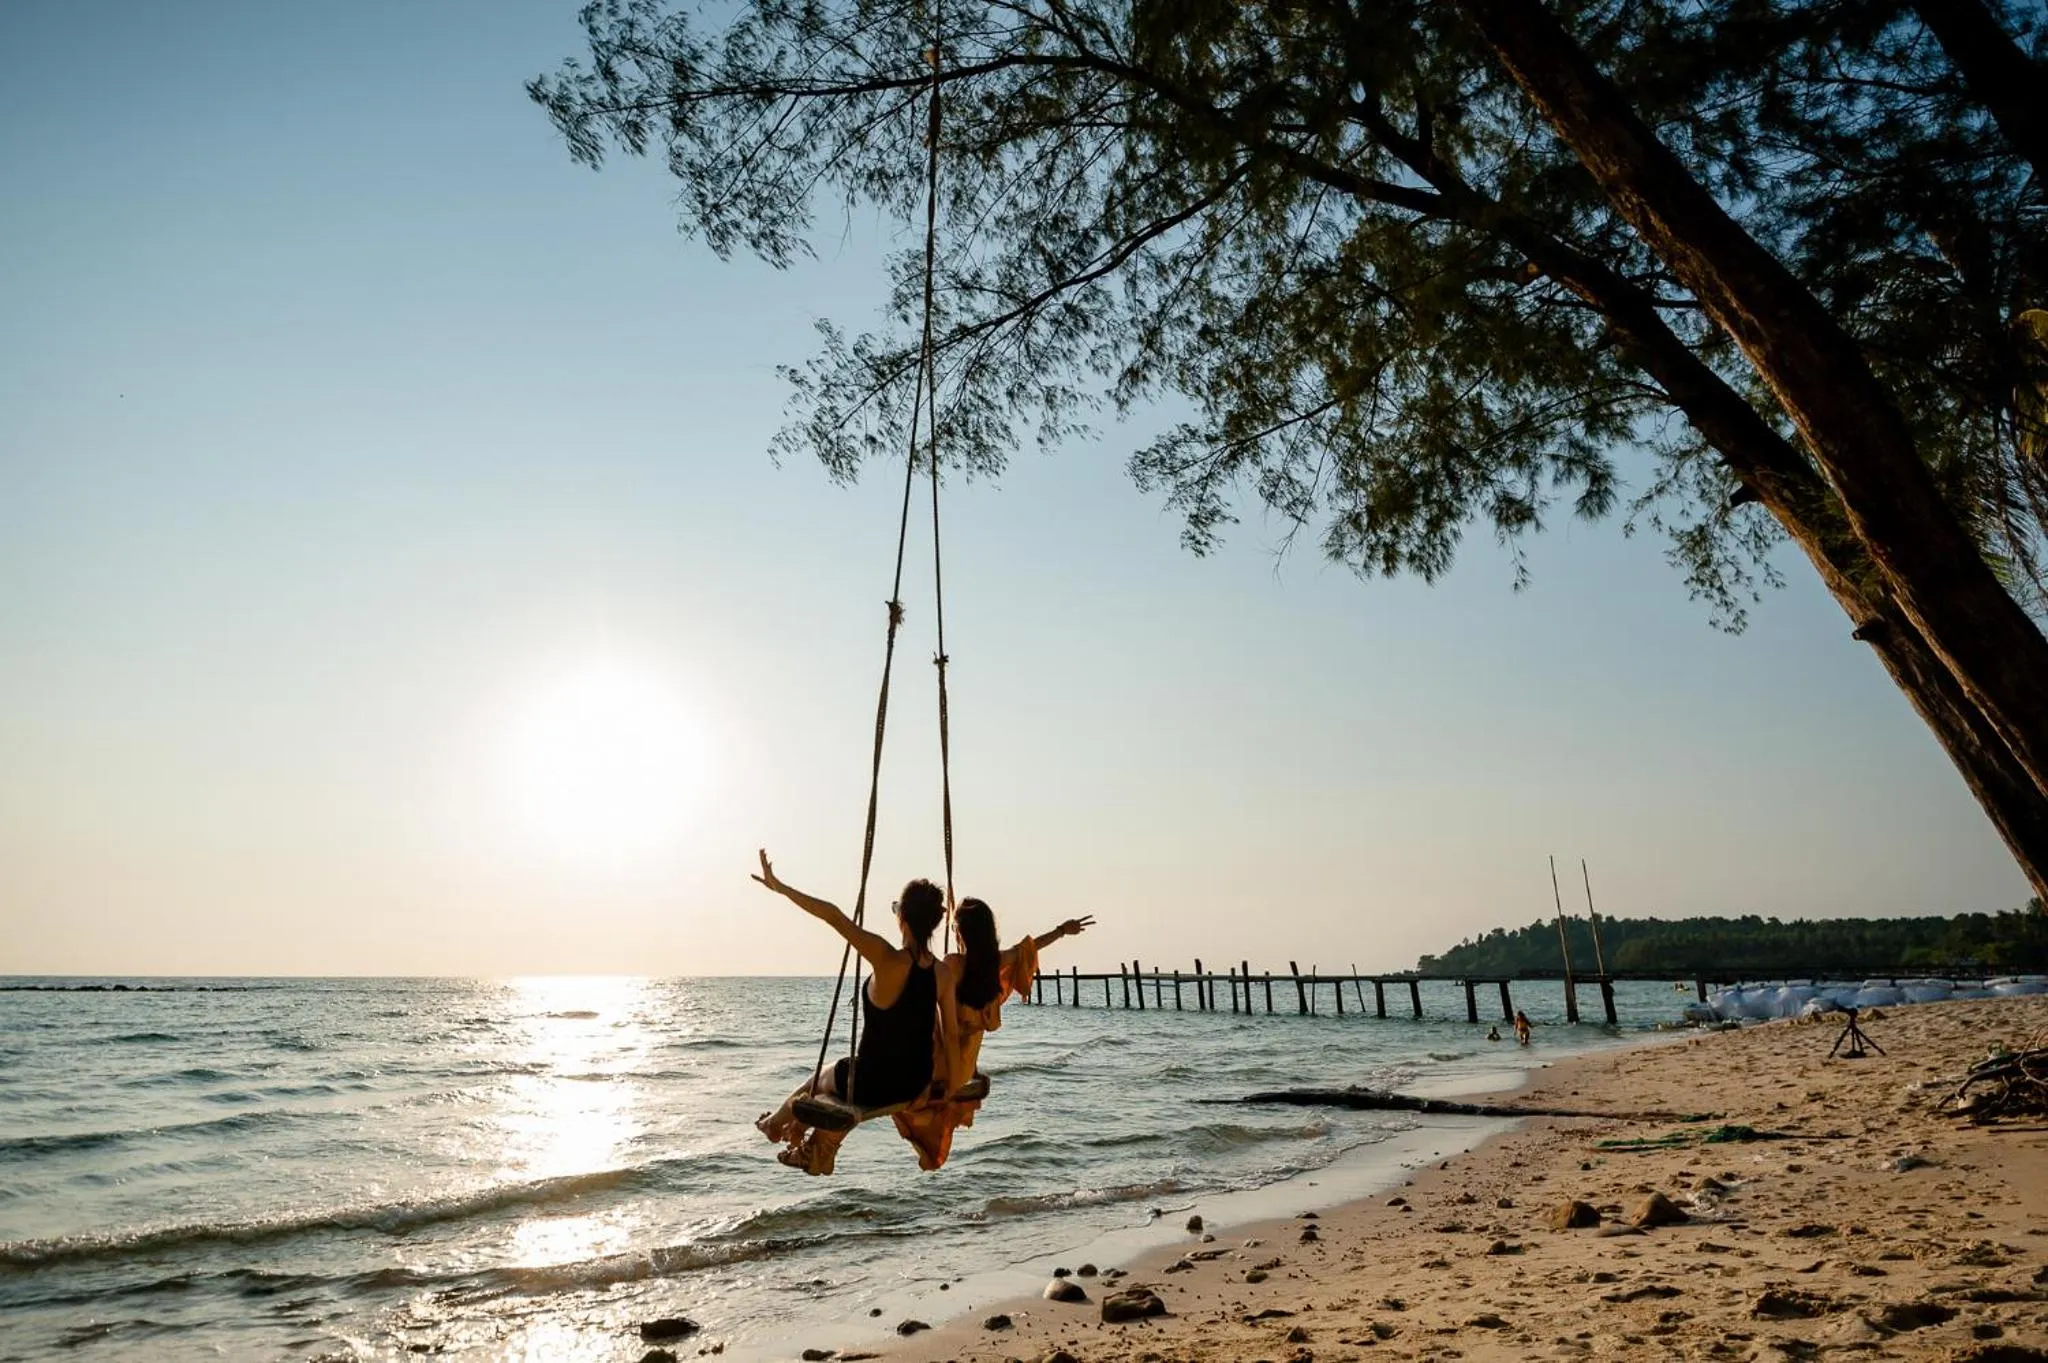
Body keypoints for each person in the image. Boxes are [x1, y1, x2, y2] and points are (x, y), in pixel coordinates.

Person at [751, 850, 954, 1174]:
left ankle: (775, 1126)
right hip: (914, 1083)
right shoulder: (942, 973)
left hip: (872, 1083)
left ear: (902, 917)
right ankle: (786, 1128)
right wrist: (943, 1086)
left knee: (819, 1079)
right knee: (830, 1076)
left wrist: (782, 888)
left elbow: (834, 917)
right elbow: (951, 1038)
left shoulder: (886, 958)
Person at [892, 898, 1094, 1170]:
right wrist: (1062, 930)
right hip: (964, 1067)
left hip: (943, 1064)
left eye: (955, 929)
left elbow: (920, 971)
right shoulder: (993, 964)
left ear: (961, 933)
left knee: (901, 1073)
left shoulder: (952, 964)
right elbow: (1027, 948)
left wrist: (906, 919)